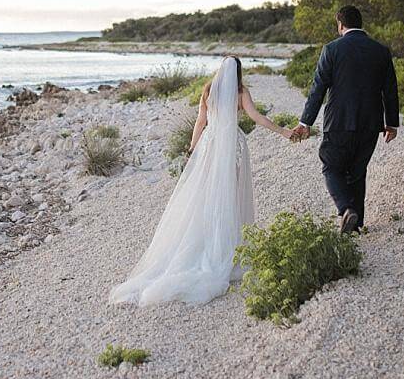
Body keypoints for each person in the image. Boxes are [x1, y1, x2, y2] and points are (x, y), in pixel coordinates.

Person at [109, 56, 294, 306]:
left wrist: (192, 150)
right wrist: (283, 131)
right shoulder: (241, 92)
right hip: (233, 147)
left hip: (210, 144)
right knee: (231, 194)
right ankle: (229, 245)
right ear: (239, 72)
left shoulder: (208, 90)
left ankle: (209, 238)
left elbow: (200, 121)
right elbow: (256, 117)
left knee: (208, 193)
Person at [291, 6, 399, 234]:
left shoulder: (331, 49)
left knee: (331, 166)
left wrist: (305, 123)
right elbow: (390, 90)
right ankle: (356, 225)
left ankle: (346, 209)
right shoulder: (380, 50)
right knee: (358, 171)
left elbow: (318, 89)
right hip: (371, 124)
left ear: (340, 25)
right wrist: (392, 123)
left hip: (339, 122)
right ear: (361, 23)